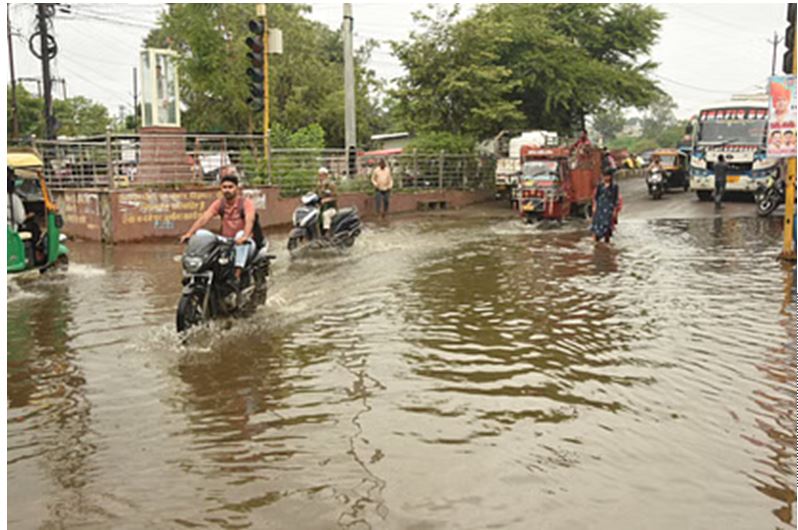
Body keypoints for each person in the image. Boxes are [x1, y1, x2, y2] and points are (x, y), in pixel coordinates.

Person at [180, 168, 256, 285]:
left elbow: (250, 220)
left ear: (237, 188)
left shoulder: (246, 203)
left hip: (244, 241)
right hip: (225, 240)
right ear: (221, 189)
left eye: (230, 187)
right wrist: (190, 233)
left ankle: (237, 274)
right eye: (224, 187)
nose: (227, 190)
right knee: (201, 233)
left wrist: (245, 236)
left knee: (240, 234)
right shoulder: (219, 203)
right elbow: (204, 218)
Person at [591, 170, 621, 244]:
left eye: (607, 176)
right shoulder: (600, 185)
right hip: (600, 208)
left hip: (608, 209)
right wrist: (594, 206)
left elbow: (615, 199)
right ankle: (596, 243)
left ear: (611, 177)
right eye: (604, 176)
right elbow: (596, 197)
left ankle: (606, 242)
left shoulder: (614, 186)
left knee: (607, 227)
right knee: (596, 227)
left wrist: (614, 211)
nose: (606, 178)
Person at [316, 167, 338, 235]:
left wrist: (326, 200)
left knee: (325, 215)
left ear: (326, 175)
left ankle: (327, 233)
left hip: (331, 208)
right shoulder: (319, 185)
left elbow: (335, 197)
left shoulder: (331, 185)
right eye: (319, 175)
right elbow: (315, 193)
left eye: (322, 175)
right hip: (321, 207)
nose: (320, 177)